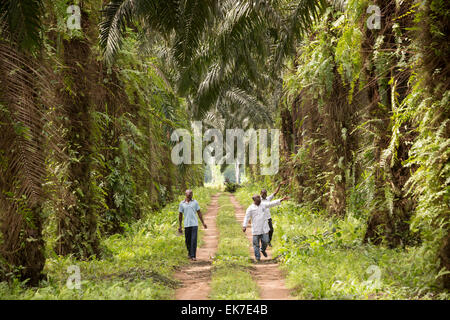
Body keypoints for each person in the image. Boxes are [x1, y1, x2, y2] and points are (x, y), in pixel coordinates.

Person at [242, 194, 289, 262]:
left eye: (260, 199)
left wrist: (281, 200)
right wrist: (244, 226)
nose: (260, 200)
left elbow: (271, 204)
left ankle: (263, 249)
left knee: (266, 241)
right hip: (256, 229)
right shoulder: (250, 208)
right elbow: (246, 217)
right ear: (254, 200)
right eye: (258, 199)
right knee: (256, 244)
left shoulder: (263, 205)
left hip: (264, 228)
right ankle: (257, 258)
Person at [178, 189, 207, 261]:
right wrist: (180, 225)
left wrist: (203, 223)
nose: (190, 195)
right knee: (187, 240)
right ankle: (189, 253)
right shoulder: (182, 204)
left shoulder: (195, 202)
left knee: (193, 240)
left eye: (191, 193)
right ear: (186, 194)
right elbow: (180, 215)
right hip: (186, 224)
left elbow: (199, 213)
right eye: (189, 194)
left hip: (194, 224)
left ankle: (193, 255)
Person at [261, 181, 286, 246]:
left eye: (265, 193)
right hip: (262, 218)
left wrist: (279, 185)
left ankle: (269, 241)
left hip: (268, 217)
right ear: (260, 193)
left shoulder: (268, 199)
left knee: (271, 230)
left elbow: (275, 192)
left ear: (266, 194)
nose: (264, 195)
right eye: (263, 193)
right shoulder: (258, 200)